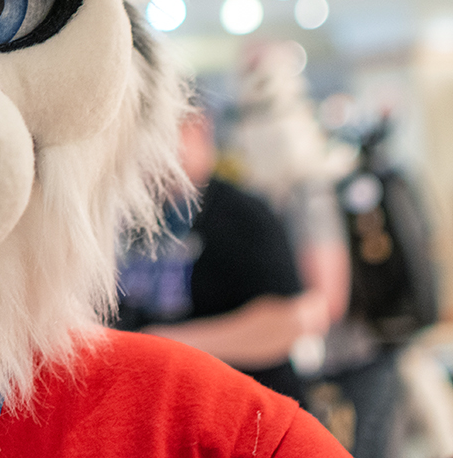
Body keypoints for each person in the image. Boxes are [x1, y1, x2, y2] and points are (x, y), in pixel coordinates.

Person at [117, 111, 330, 403]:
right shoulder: (132, 219)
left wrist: (164, 344)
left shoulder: (242, 214)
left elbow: (288, 321)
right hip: (166, 398)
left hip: (245, 403)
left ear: (198, 129)